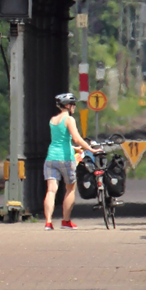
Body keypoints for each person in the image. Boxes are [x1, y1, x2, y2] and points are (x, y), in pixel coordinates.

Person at [43, 93, 98, 230]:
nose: (74, 107)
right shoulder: (69, 119)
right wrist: (90, 149)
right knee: (70, 189)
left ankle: (48, 223)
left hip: (51, 158)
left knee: (51, 191)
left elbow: (60, 141)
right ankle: (65, 221)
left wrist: (75, 148)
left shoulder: (53, 120)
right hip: (66, 159)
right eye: (73, 104)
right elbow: (77, 138)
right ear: (67, 105)